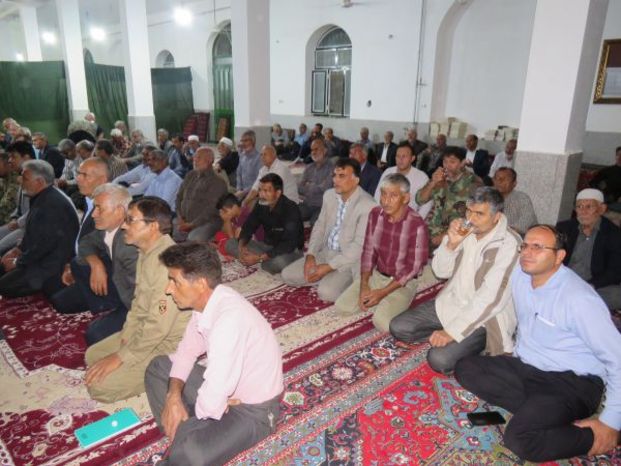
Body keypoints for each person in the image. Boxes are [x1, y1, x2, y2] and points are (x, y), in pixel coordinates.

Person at [455, 224, 621, 462]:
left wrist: (611, 422)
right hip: (528, 367)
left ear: (559, 256)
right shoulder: (521, 276)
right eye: (524, 246)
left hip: (571, 382)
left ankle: (596, 436)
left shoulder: (579, 299)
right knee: (466, 368)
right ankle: (541, 412)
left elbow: (617, 357)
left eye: (538, 247)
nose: (527, 252)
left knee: (519, 440)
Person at [145, 242, 283, 466]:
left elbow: (213, 398)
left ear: (200, 284)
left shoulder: (228, 320)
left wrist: (212, 406)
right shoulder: (208, 304)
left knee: (191, 453)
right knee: (159, 367)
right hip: (226, 393)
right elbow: (185, 353)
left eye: (175, 281)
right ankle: (182, 430)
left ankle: (183, 438)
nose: (168, 289)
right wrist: (173, 396)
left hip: (254, 412)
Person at [390, 187, 520, 374]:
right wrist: (451, 244)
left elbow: (490, 300)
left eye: (479, 214)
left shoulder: (510, 245)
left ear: (497, 217)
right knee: (399, 327)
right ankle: (456, 340)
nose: (471, 218)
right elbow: (440, 271)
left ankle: (477, 344)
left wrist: (452, 332)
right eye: (469, 211)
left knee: (439, 359)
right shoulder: (465, 229)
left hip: (485, 318)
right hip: (452, 303)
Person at [84, 197, 190, 403]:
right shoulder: (147, 252)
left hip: (167, 344)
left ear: (153, 226)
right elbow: (139, 304)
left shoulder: (167, 265)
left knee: (99, 387)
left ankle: (172, 371)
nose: (124, 226)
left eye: (131, 220)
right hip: (147, 331)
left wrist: (122, 356)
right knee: (92, 355)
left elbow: (158, 328)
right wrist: (127, 335)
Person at [335, 174, 428, 331]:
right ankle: (380, 300)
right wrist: (364, 284)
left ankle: (397, 299)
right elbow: (368, 251)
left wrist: (382, 293)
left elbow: (412, 268)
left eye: (393, 196)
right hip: (377, 276)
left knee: (382, 323)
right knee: (342, 307)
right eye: (383, 194)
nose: (385, 201)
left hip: (402, 282)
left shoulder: (417, 224)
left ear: (405, 198)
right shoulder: (375, 214)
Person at [50, 184, 138, 346]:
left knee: (94, 336)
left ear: (119, 211)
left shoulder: (131, 243)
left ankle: (113, 305)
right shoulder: (108, 228)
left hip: (137, 299)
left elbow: (144, 293)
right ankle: (108, 302)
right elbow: (86, 242)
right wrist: (96, 265)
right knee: (60, 301)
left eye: (99, 209)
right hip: (119, 281)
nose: (93, 214)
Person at [281, 158, 376, 302]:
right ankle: (326, 277)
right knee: (288, 275)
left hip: (348, 260)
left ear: (356, 180)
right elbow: (320, 226)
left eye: (341, 176)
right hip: (326, 252)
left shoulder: (368, 205)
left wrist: (328, 267)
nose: (335, 180)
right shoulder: (329, 195)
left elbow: (358, 247)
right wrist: (311, 255)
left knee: (326, 293)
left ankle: (342, 279)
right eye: (334, 175)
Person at [0, 160, 79, 298]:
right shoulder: (43, 196)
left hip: (51, 264)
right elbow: (33, 234)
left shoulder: (51, 205)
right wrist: (18, 249)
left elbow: (42, 246)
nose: (20, 181)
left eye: (25, 178)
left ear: (39, 182)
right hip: (40, 256)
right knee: (2, 262)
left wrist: (17, 262)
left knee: (4, 285)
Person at [556, 188, 621, 311]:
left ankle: (573, 303)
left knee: (617, 295)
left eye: (589, 207)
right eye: (579, 207)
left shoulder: (614, 234)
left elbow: (615, 271)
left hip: (594, 285)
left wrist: (589, 285)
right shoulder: (564, 228)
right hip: (564, 281)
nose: (583, 211)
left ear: (602, 209)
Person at [226, 173, 303, 274]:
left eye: (266, 191)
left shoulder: (290, 208)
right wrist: (241, 246)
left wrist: (259, 258)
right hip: (267, 246)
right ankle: (256, 258)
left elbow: (289, 244)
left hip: (289, 251)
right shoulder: (261, 203)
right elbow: (249, 225)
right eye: (260, 190)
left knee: (277, 262)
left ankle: (260, 260)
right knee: (230, 243)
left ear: (278, 193)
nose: (261, 195)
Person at [416, 146, 481, 247]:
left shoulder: (473, 183)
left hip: (457, 238)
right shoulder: (439, 178)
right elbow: (420, 200)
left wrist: (446, 236)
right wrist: (433, 183)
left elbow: (475, 217)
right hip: (431, 234)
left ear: (462, 163)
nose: (447, 166)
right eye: (445, 161)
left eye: (452, 162)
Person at [175, 147, 228, 241]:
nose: (194, 160)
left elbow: (211, 209)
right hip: (184, 220)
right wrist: (180, 217)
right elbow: (179, 197)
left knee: (194, 238)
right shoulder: (190, 175)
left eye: (198, 157)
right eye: (195, 157)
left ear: (209, 160)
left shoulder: (217, 181)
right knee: (166, 228)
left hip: (207, 222)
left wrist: (191, 225)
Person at [375, 141, 433, 220]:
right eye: (398, 156)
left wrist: (417, 221)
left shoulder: (422, 177)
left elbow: (427, 204)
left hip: (410, 219)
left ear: (412, 158)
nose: (400, 159)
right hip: (385, 216)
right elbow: (378, 195)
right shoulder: (388, 172)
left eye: (404, 156)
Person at [298, 138, 334, 225]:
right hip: (307, 204)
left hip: (322, 206)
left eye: (316, 149)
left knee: (315, 224)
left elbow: (326, 188)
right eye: (312, 150)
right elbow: (299, 188)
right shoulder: (309, 167)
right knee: (291, 215)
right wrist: (317, 186)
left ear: (325, 151)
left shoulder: (332, 168)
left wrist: (308, 185)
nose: (313, 152)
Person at [493, 167, 537, 235]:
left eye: (505, 179)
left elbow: (524, 223)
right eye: (497, 178)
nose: (500, 181)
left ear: (514, 183)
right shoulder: (488, 198)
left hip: (520, 237)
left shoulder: (522, 198)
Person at [235, 130, 262, 199]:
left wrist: (244, 192)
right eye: (242, 141)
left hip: (254, 194)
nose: (243, 143)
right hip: (241, 193)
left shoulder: (259, 158)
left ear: (253, 142)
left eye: (246, 140)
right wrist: (239, 189)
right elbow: (238, 174)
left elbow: (259, 181)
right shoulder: (242, 156)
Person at [0, 151, 19, 225]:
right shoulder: (3, 178)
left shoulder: (16, 180)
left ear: (8, 164)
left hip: (11, 221)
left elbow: (5, 206)